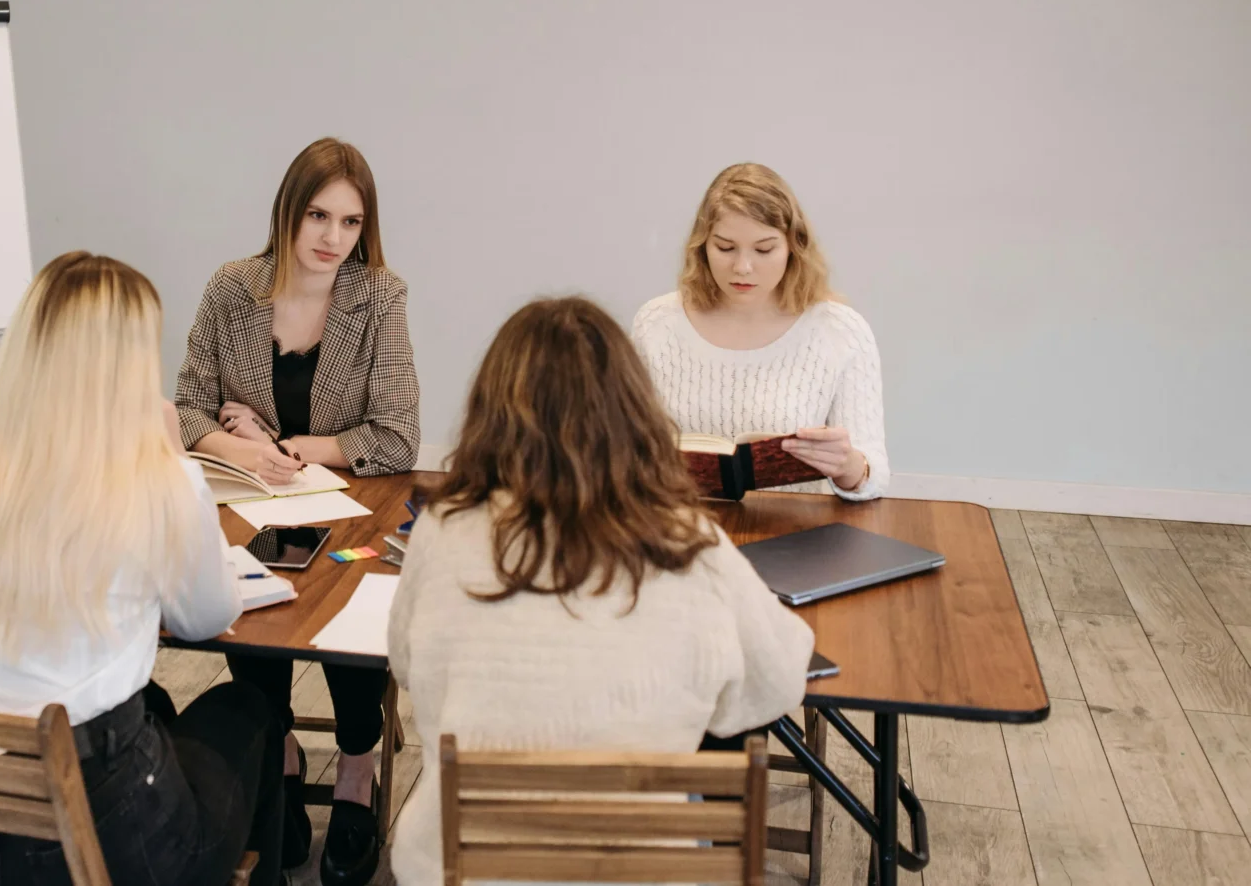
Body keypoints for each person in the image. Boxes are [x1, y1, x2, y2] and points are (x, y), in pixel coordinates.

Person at [387, 297, 814, 886]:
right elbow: (775, 685)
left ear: (491, 410)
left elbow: (405, 665)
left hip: (460, 864)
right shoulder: (692, 544)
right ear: (632, 411)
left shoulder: (441, 528)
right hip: (644, 869)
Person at [0, 252, 284, 886]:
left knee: (155, 703)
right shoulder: (157, 480)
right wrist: (169, 457)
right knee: (248, 710)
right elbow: (204, 617)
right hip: (104, 838)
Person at [175, 137, 420, 886]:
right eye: (318, 215)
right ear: (288, 211)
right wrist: (238, 449)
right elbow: (184, 407)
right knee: (245, 606)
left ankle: (355, 767)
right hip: (249, 500)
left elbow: (399, 434)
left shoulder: (379, 296)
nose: (332, 239)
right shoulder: (231, 288)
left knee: (347, 617)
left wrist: (285, 443)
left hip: (349, 504)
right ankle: (274, 753)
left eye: (350, 222)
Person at [632, 162, 890, 501]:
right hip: (678, 532)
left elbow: (875, 477)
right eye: (724, 247)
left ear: (793, 247)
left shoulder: (840, 331)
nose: (742, 267)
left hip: (793, 538)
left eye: (764, 249)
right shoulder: (656, 323)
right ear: (702, 246)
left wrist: (848, 467)